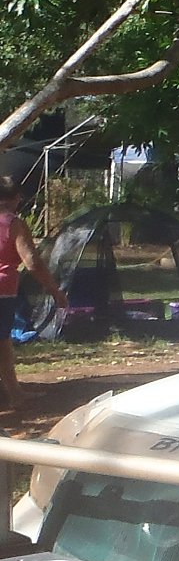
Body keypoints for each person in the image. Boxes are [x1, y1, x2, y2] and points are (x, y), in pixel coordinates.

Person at [0, 176, 67, 411]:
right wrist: (55, 290)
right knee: (3, 342)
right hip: (2, 291)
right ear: (16, 198)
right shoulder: (14, 223)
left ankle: (14, 393)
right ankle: (15, 395)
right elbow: (32, 262)